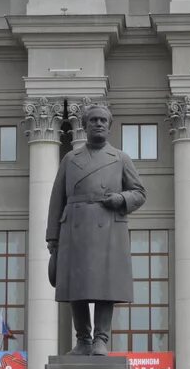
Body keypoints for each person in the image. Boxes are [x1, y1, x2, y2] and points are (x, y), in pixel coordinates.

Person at [46, 104, 147, 356]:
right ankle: (83, 340)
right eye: (93, 120)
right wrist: (52, 239)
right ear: (85, 125)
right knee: (76, 288)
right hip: (75, 229)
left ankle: (101, 338)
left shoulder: (121, 158)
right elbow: (56, 199)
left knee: (105, 287)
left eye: (103, 120)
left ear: (109, 126)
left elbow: (140, 192)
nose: (99, 123)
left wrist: (121, 199)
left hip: (108, 227)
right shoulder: (70, 159)